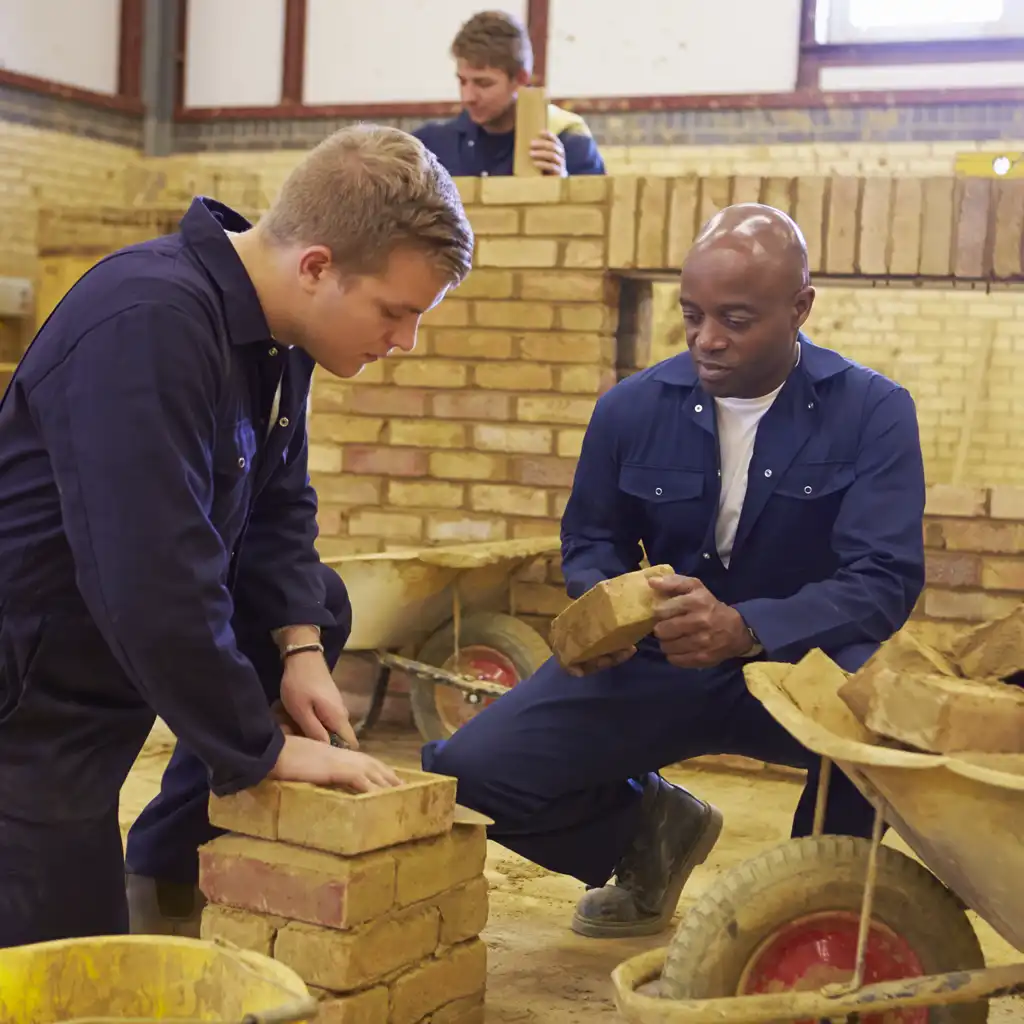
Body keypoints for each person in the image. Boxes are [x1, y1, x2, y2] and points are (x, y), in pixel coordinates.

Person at [0, 125, 474, 947]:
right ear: (317, 266)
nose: (405, 342)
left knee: (315, 601)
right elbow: (151, 573)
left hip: (109, 635)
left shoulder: (274, 339)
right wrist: (259, 752)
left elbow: (280, 502)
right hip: (32, 681)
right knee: (67, 950)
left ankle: (170, 864)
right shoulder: (147, 321)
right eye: (396, 313)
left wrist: (297, 650)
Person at [422, 203, 927, 940]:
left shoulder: (872, 411)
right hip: (664, 655)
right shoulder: (630, 409)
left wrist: (747, 627)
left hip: (802, 664)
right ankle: (650, 831)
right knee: (471, 770)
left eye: (735, 318)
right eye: (691, 314)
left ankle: (804, 916)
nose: (706, 339)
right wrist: (609, 612)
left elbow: (884, 578)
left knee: (879, 739)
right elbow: (591, 540)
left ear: (800, 307)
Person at [413, 10, 605, 178]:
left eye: (483, 83)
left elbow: (599, 216)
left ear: (521, 79)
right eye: (462, 81)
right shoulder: (429, 147)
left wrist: (564, 189)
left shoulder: (570, 145)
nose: (468, 97)